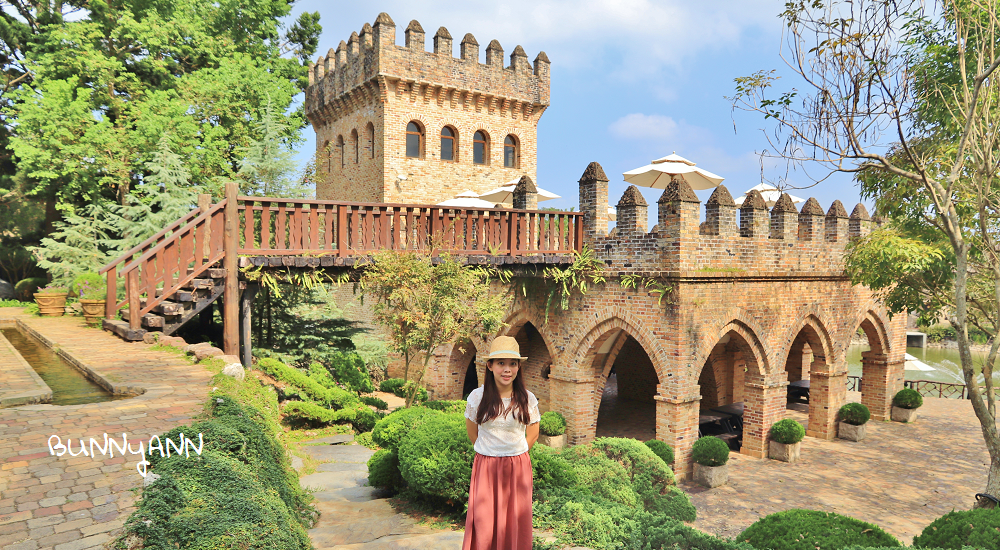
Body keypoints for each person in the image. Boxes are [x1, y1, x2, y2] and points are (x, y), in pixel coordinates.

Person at [462, 336, 540, 550]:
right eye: (501, 363)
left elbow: (532, 433)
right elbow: (473, 434)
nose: (507, 370)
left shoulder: (527, 399)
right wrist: (492, 452)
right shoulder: (477, 398)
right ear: (490, 366)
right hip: (486, 466)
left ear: (518, 367)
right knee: (485, 523)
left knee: (514, 521)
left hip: (517, 467)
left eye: (512, 364)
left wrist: (512, 453)